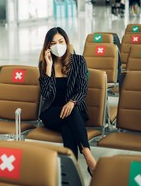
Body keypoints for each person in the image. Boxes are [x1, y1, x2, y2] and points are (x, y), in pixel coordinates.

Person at [38, 27, 97, 175]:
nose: (57, 45)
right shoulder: (45, 65)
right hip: (52, 113)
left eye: (60, 41)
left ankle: (72, 173)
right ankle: (88, 156)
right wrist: (49, 68)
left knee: (68, 128)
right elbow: (46, 94)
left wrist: (72, 102)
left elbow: (82, 89)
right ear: (48, 47)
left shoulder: (78, 61)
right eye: (53, 43)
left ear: (66, 42)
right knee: (69, 117)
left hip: (75, 109)